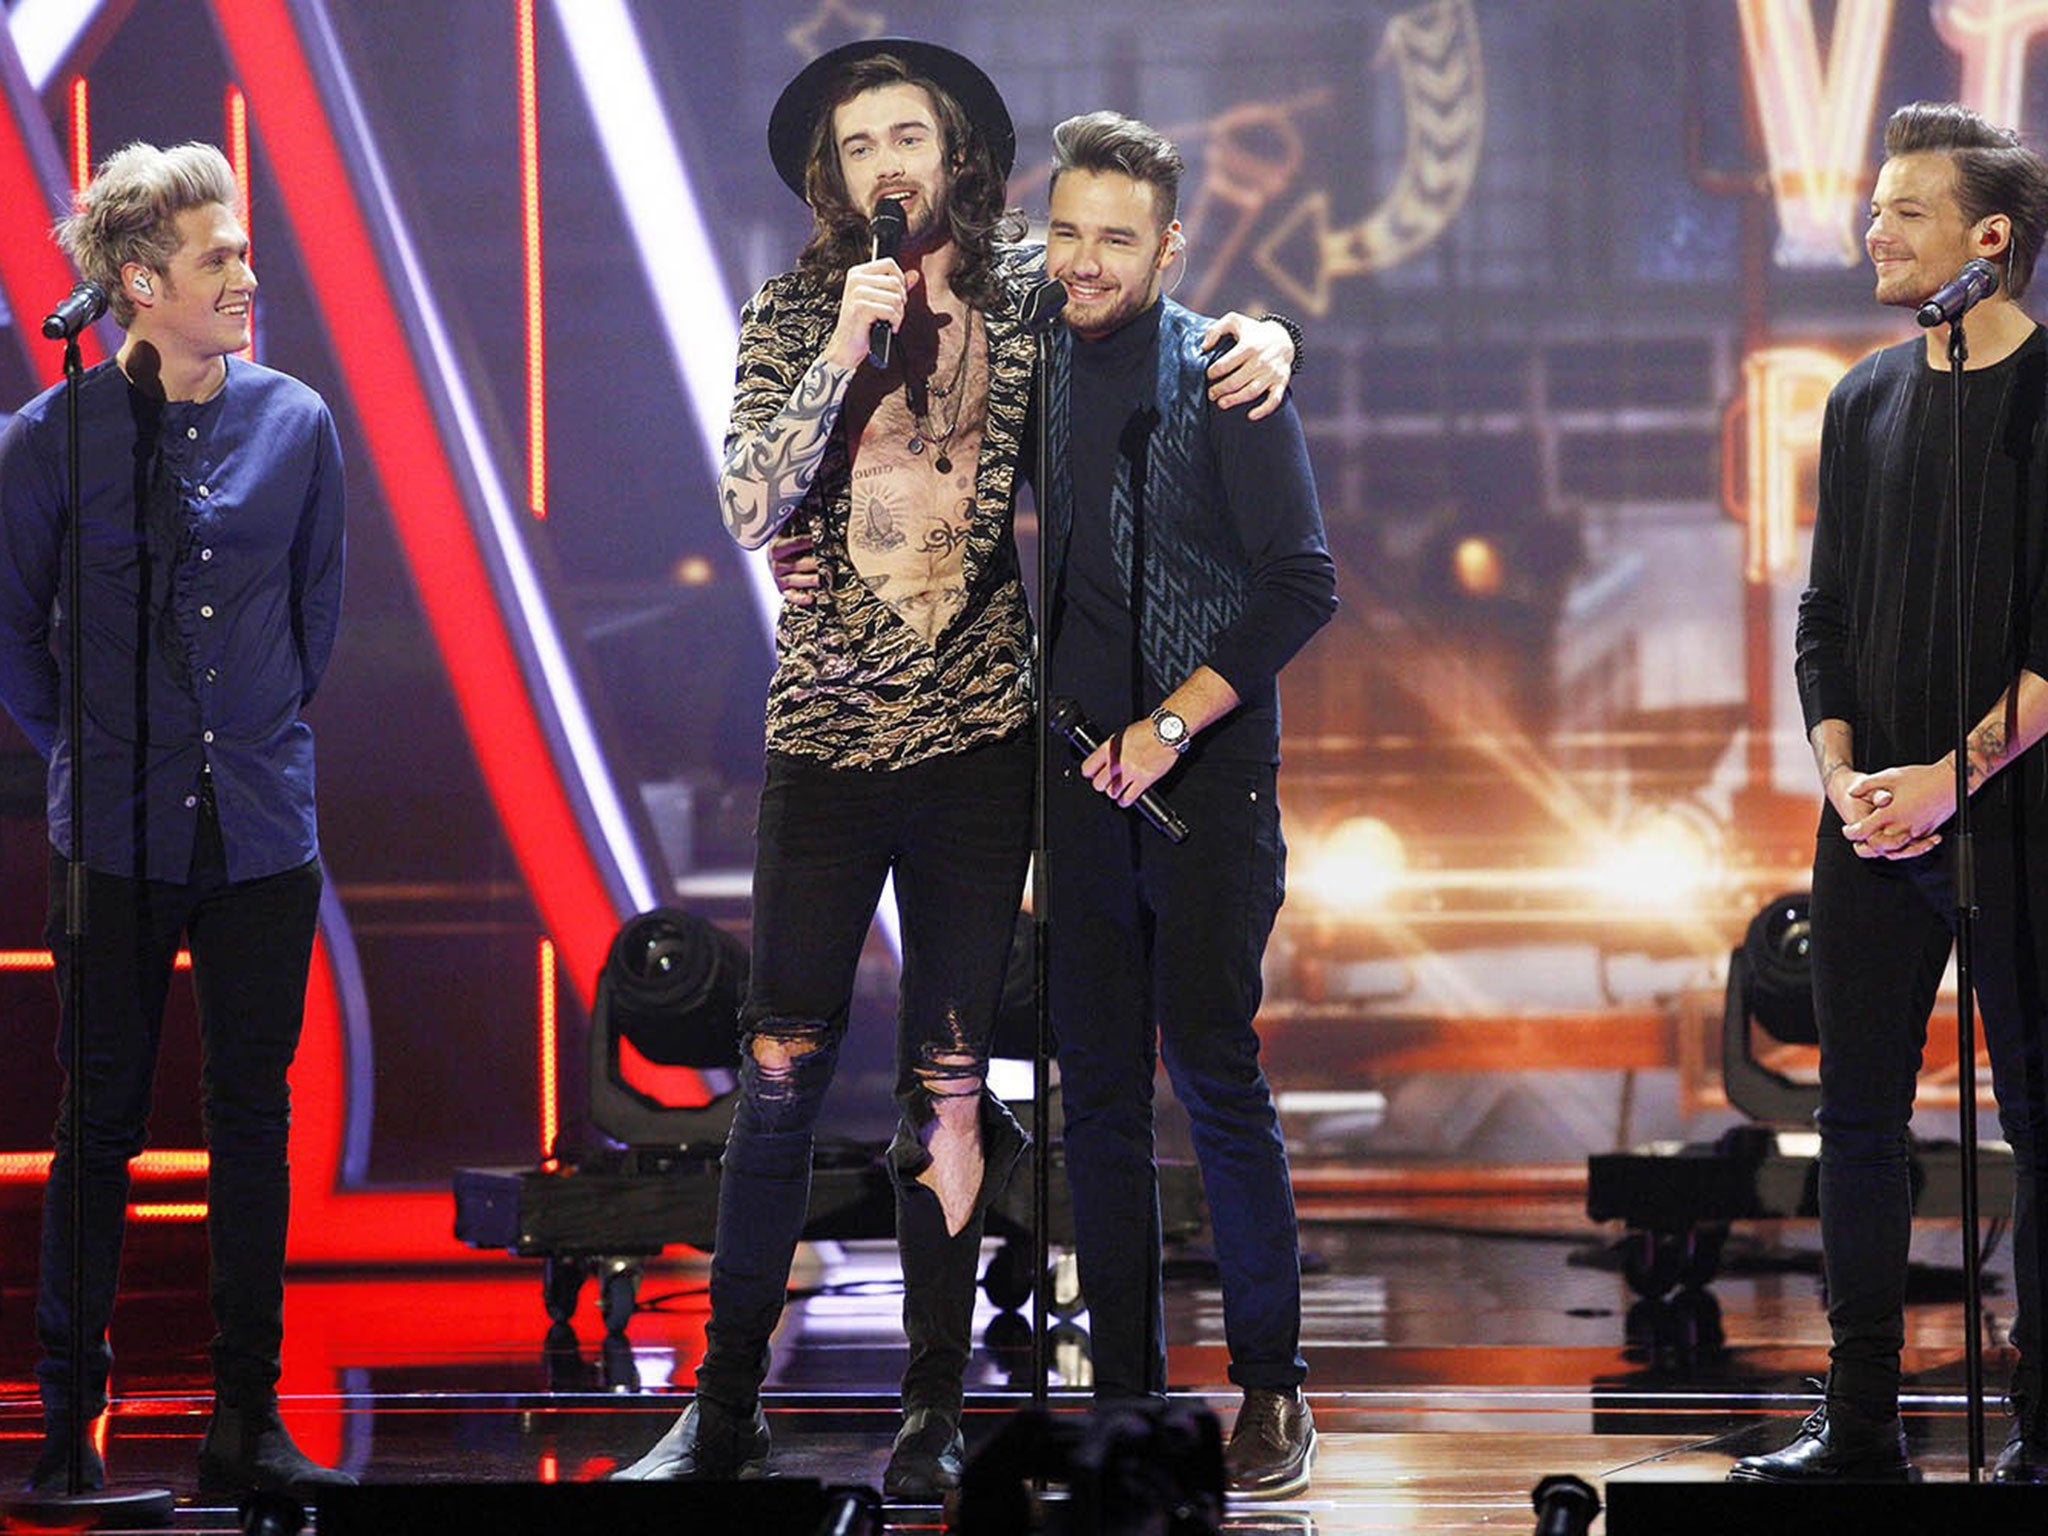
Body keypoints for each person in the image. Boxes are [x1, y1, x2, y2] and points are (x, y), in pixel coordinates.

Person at [612, 41, 1299, 1498]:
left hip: (983, 743)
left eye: (907, 136)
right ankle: (720, 1407)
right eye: (859, 145)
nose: (886, 166)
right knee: (782, 1066)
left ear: (953, 159)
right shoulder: (793, 309)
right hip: (824, 739)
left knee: (948, 1079)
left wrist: (1273, 338)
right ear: (833, 175)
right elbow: (748, 505)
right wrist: (842, 356)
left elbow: (1146, 317)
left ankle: (936, 1412)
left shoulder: (1026, 301)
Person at [0, 143, 350, 1496]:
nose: (244, 276)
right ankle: (70, 1427)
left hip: (261, 828)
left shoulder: (297, 423)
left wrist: (241, 737)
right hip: (117, 834)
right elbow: (17, 645)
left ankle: (246, 1422)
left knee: (249, 1114)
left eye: (242, 251)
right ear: (139, 284)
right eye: (217, 258)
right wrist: (94, 756)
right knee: (101, 1124)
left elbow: (313, 622)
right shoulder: (52, 443)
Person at [1729, 100, 2048, 1486]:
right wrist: (1850, 771)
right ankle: (1856, 1417)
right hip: (1874, 821)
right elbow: (1826, 614)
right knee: (1854, 1115)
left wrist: (1953, 775)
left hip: (2018, 816)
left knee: (2037, 1118)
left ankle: (2042, 1429)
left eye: (1902, 209)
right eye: (1874, 204)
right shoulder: (1861, 398)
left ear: (1991, 239)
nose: (1873, 227)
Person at [1037, 112, 1335, 1500]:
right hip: (1073, 781)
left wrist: (1170, 726)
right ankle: (1125, 1402)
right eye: (1068, 232)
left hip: (1204, 779)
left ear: (1168, 247)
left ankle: (1272, 1390)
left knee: (1211, 1068)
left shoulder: (1224, 374)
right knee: (1093, 1092)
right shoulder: (1026, 355)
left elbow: (1302, 585)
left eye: (1116, 239)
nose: (1085, 261)